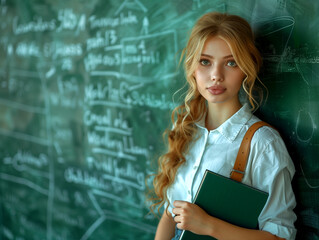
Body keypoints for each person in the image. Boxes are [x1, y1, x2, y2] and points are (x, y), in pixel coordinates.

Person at [151, 12, 297, 240]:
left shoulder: (263, 143)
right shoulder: (186, 130)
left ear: (246, 69)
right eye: (205, 62)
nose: (216, 75)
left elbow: (280, 236)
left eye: (231, 63)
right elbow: (171, 213)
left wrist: (208, 226)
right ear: (192, 67)